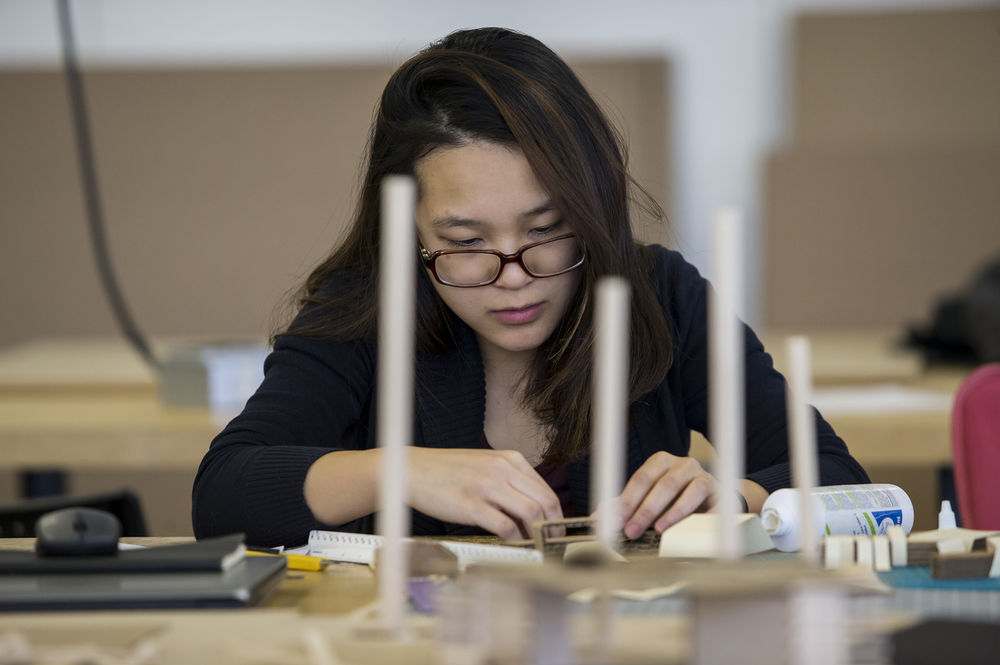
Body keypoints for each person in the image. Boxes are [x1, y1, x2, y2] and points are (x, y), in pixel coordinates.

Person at [192, 27, 869, 548]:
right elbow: (223, 494)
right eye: (464, 244)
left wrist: (739, 498)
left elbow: (839, 479)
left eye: (546, 230)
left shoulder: (660, 297)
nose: (513, 277)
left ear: (590, 209)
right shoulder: (365, 309)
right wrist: (396, 469)